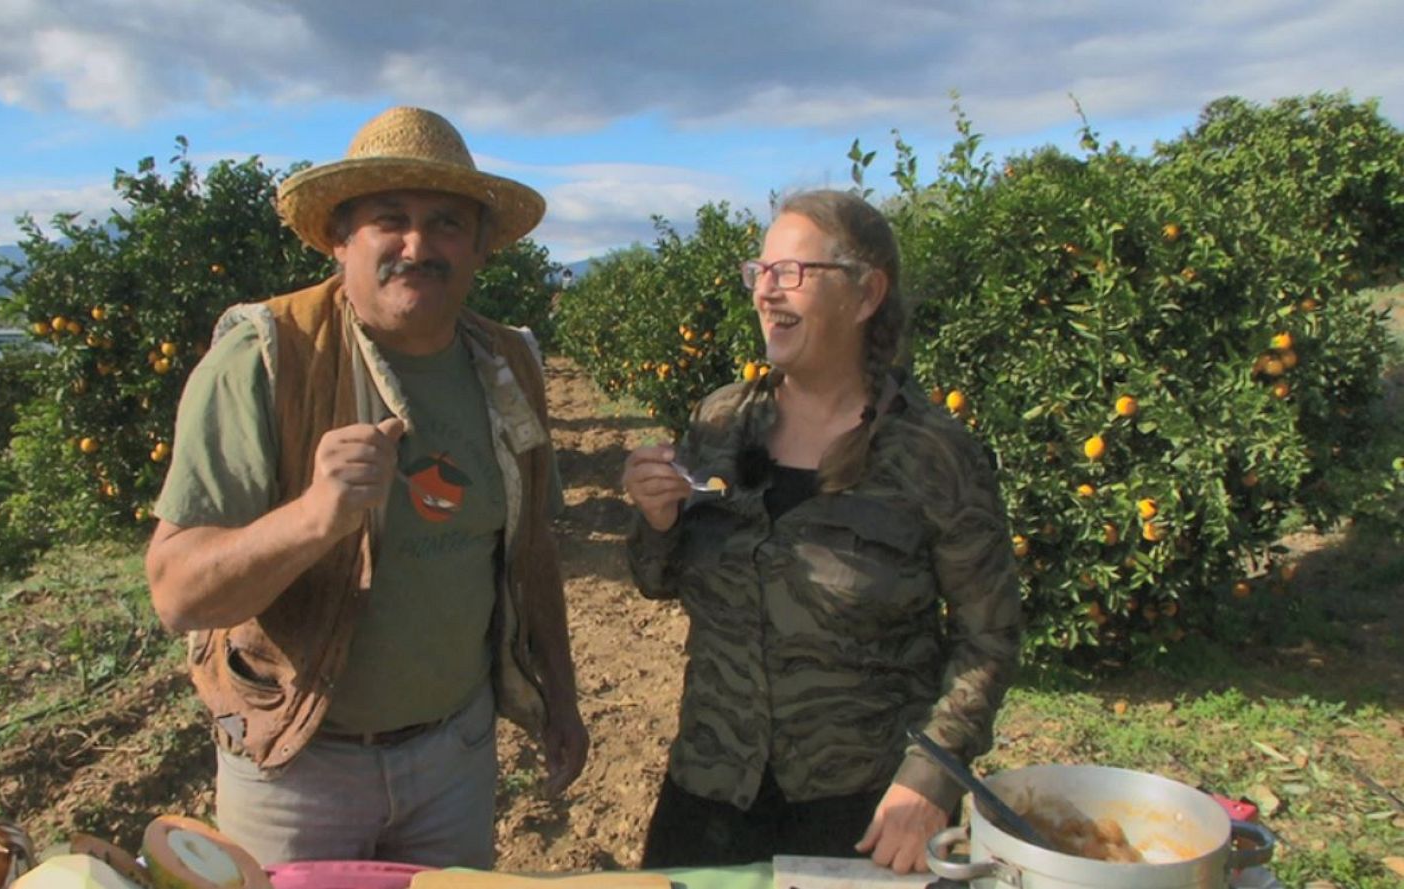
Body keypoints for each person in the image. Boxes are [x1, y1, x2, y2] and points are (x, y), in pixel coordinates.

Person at [145, 106, 589, 870]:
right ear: (340, 238)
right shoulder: (266, 360)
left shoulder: (508, 366)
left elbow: (531, 549)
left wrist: (563, 694)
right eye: (390, 219)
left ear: (481, 246)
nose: (418, 245)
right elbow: (177, 592)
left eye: (447, 223)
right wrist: (315, 517)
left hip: (455, 756)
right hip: (297, 767)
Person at [621, 189, 1021, 874]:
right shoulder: (720, 423)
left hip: (864, 807)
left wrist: (933, 777)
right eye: (760, 271)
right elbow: (658, 579)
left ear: (865, 294)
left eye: (792, 273)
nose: (766, 292)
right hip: (711, 788)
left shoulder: (932, 454)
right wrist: (656, 521)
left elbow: (989, 636)